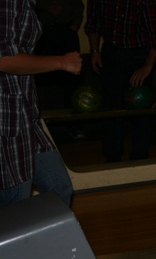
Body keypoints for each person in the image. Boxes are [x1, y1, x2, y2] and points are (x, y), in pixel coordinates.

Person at [0, 0, 81, 208]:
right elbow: (5, 59)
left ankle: (47, 241)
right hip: (7, 118)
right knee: (16, 202)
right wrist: (63, 62)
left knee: (59, 188)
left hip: (24, 114)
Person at [84, 0, 156, 162]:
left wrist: (147, 66)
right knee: (111, 108)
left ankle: (140, 157)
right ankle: (112, 157)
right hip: (110, 52)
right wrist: (94, 50)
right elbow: (93, 23)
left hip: (138, 55)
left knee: (140, 107)